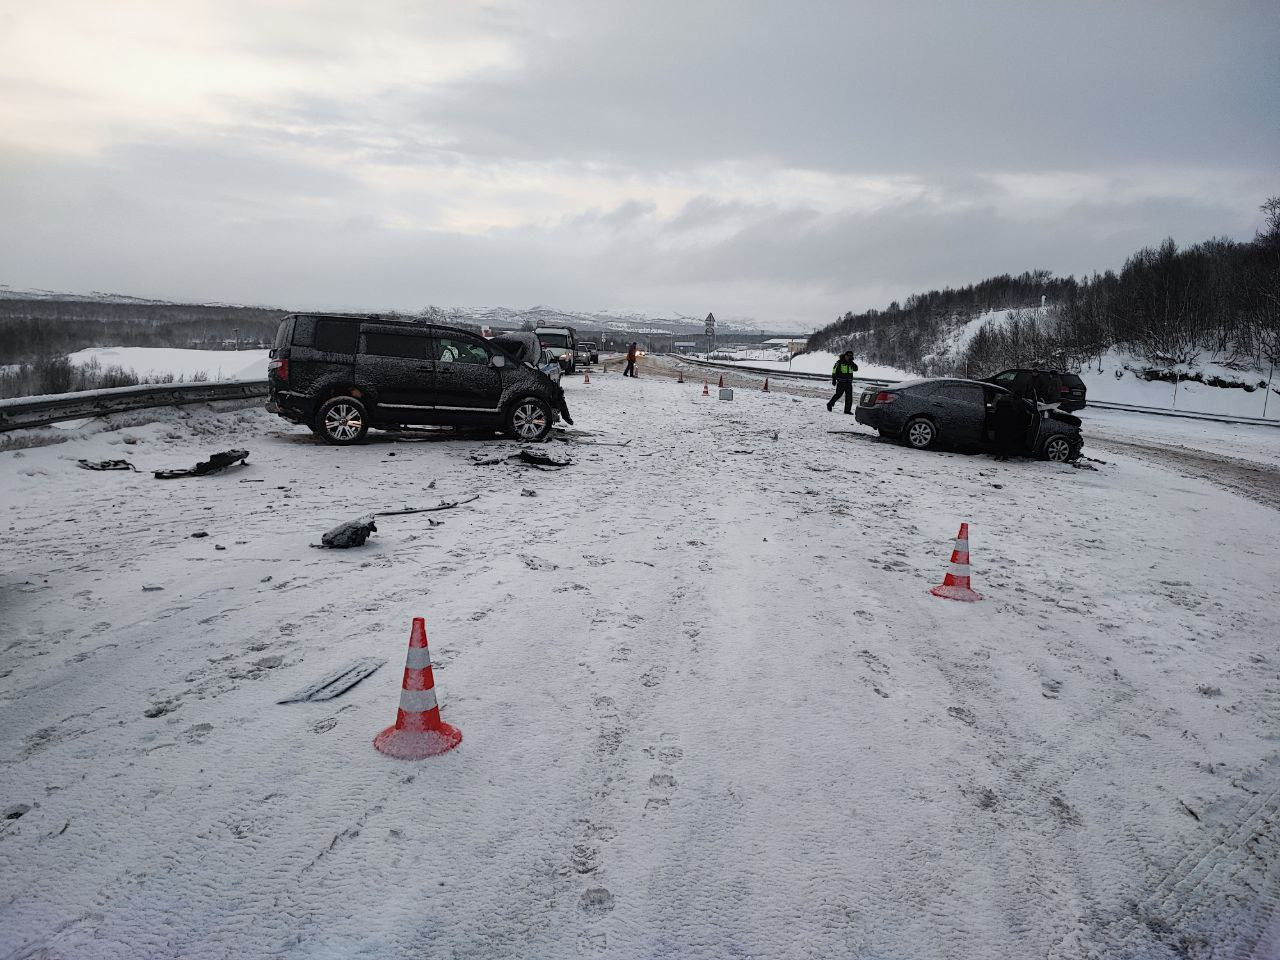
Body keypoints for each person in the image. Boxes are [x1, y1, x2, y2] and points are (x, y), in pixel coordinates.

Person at [990, 391, 1027, 461]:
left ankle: (998, 455)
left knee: (999, 439)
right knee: (1007, 441)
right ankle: (1005, 456)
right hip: (1011, 425)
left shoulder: (1001, 401)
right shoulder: (1020, 403)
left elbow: (996, 412)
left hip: (1000, 424)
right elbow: (1022, 416)